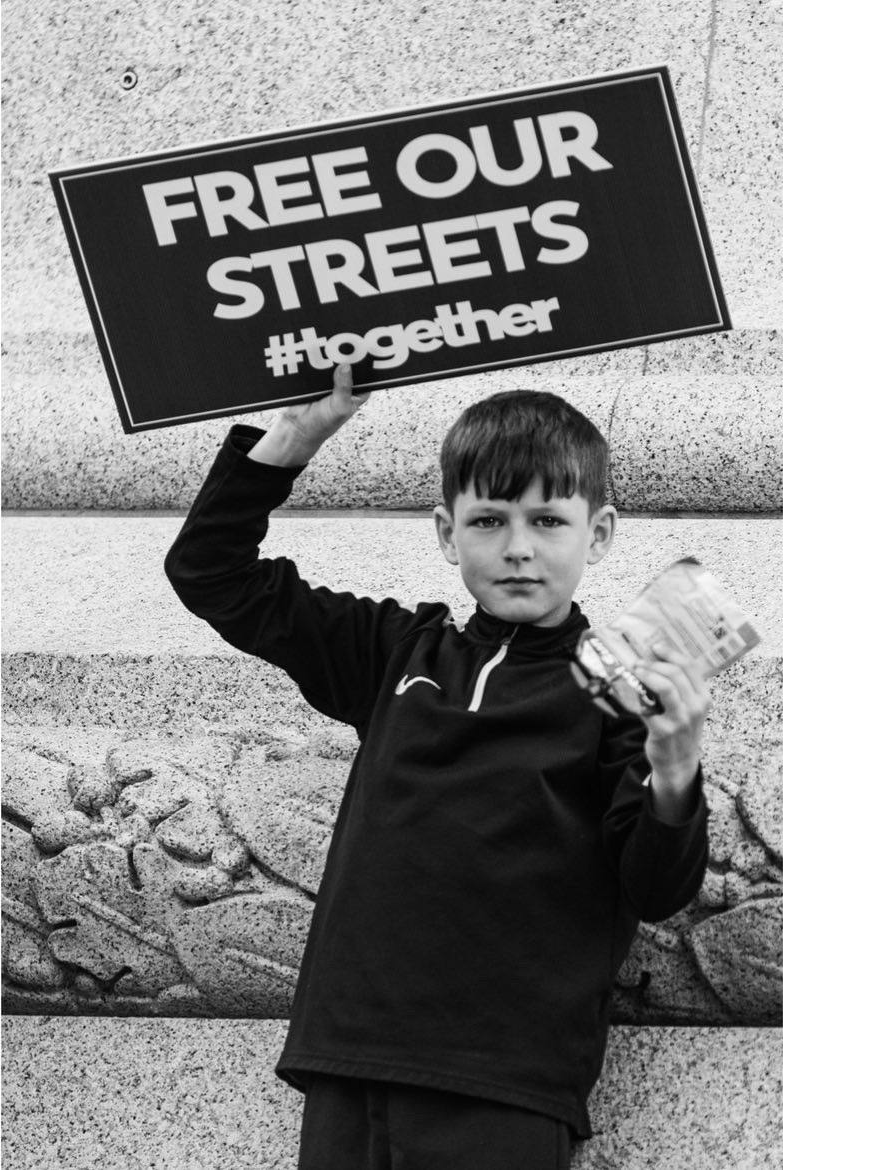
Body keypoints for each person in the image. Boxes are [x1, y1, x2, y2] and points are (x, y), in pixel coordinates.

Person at [164, 363, 711, 1170]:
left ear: (597, 534)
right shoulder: (396, 651)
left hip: (507, 1085)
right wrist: (294, 437)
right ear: (447, 533)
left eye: (547, 521)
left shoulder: (623, 697)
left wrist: (674, 767)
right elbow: (210, 573)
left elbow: (659, 887)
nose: (518, 548)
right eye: (488, 520)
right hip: (350, 1059)